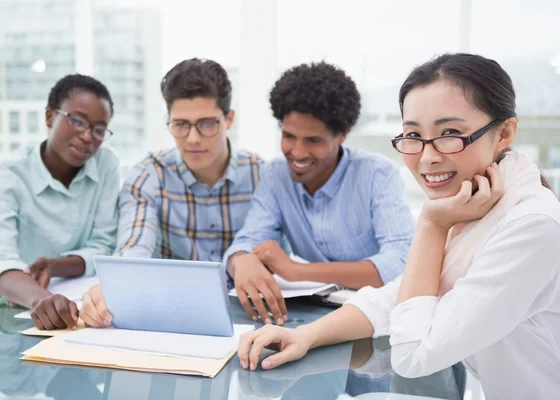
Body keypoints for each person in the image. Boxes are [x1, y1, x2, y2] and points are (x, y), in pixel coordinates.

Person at [238, 53, 560, 399]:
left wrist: (431, 223)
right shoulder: (480, 201)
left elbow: (413, 354)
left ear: (504, 132)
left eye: (450, 133)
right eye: (413, 135)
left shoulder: (531, 226)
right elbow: (401, 295)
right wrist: (307, 335)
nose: (427, 156)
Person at [223, 61, 415, 326]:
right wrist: (241, 261)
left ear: (342, 136)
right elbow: (249, 238)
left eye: (314, 141)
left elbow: (401, 262)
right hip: (310, 319)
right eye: (289, 136)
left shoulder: (377, 174)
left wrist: (297, 271)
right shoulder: (275, 174)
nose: (298, 153)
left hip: (379, 321)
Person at [79, 58, 262, 328]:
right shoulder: (149, 175)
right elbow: (133, 247)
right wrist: (115, 285)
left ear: (229, 119)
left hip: (252, 321)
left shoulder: (260, 175)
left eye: (207, 124)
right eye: (181, 125)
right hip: (170, 322)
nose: (193, 138)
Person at [0, 74, 120, 331]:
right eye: (77, 121)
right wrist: (43, 300)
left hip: (78, 313)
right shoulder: (5, 175)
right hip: (14, 317)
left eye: (99, 129)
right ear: (49, 117)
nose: (88, 136)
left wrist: (55, 266)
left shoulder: (106, 165)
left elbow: (103, 246)